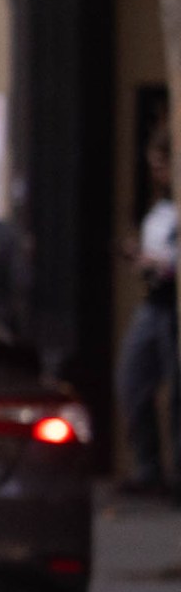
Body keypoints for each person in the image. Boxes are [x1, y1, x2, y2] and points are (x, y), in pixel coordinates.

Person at [123, 125, 177, 495]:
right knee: (131, 380)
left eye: (164, 164)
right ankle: (149, 467)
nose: (158, 173)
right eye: (154, 165)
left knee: (177, 393)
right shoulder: (159, 209)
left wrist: (165, 266)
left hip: (174, 304)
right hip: (154, 302)